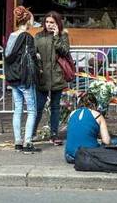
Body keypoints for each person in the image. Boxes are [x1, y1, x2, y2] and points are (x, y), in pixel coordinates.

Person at [4, 6, 40, 154]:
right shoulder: (27, 37)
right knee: (32, 110)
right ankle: (27, 141)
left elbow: (8, 56)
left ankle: (17, 141)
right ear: (28, 21)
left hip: (13, 78)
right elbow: (31, 56)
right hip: (25, 78)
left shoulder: (11, 36)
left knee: (17, 109)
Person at [33, 11, 70, 145]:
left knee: (55, 107)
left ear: (57, 23)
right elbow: (33, 53)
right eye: (47, 22)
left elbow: (65, 51)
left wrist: (56, 37)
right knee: (38, 107)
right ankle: (31, 133)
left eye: (52, 22)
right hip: (42, 76)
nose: (49, 25)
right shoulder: (38, 36)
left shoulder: (63, 35)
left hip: (57, 76)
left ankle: (54, 135)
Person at [64, 93, 111, 164]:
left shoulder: (72, 114)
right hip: (89, 155)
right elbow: (106, 141)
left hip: (69, 156)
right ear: (95, 104)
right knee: (115, 140)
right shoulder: (97, 115)